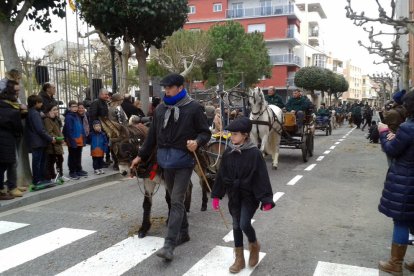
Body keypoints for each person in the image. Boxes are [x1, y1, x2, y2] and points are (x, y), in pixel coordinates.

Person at [130, 73, 211, 261]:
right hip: (165, 161)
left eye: (169, 87)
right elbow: (152, 138)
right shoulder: (160, 109)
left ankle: (169, 245)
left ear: (180, 88)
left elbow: (205, 132)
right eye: (164, 87)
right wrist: (140, 157)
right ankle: (184, 232)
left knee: (175, 200)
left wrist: (197, 142)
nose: (166, 90)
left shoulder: (194, 108)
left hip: (184, 160)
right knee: (177, 201)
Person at [211, 117, 275, 273]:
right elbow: (221, 174)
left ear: (245, 135)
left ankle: (254, 245)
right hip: (234, 196)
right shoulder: (228, 153)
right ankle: (239, 259)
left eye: (235, 134)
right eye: (231, 134)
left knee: (244, 223)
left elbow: (262, 177)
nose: (232, 137)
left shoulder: (254, 153)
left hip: (249, 196)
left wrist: (266, 199)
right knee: (235, 225)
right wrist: (216, 195)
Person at [377, 90, 414, 275]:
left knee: (401, 221)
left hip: (407, 181)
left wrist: (384, 133)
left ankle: (395, 263)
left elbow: (392, 150)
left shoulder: (409, 127)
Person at [0, 80, 24, 199]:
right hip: (6, 138)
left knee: (11, 163)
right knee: (7, 163)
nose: (18, 93)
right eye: (16, 91)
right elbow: (15, 124)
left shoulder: (11, 106)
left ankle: (12, 185)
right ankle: (8, 188)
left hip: (8, 138)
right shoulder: (8, 107)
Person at [26, 94, 56, 185]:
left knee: (40, 161)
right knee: (38, 162)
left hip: (38, 141)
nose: (42, 104)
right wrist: (50, 138)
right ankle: (37, 180)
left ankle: (41, 178)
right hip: (38, 142)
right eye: (40, 102)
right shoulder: (34, 113)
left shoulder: (32, 112)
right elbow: (40, 130)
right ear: (36, 103)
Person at [63, 100, 87, 180]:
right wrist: (71, 140)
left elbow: (81, 127)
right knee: (72, 156)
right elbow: (69, 130)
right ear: (69, 108)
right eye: (73, 106)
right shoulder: (69, 117)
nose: (75, 108)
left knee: (78, 155)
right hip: (73, 139)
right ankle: (72, 171)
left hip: (79, 138)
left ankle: (78, 169)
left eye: (76, 106)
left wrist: (83, 137)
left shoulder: (77, 116)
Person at [43, 104, 64, 181]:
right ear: (49, 111)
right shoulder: (47, 120)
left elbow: (59, 130)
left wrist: (61, 137)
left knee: (60, 159)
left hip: (57, 144)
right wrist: (59, 139)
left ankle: (60, 175)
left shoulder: (56, 119)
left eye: (56, 109)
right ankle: (52, 176)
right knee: (52, 161)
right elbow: (49, 132)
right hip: (52, 145)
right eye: (54, 110)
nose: (56, 111)